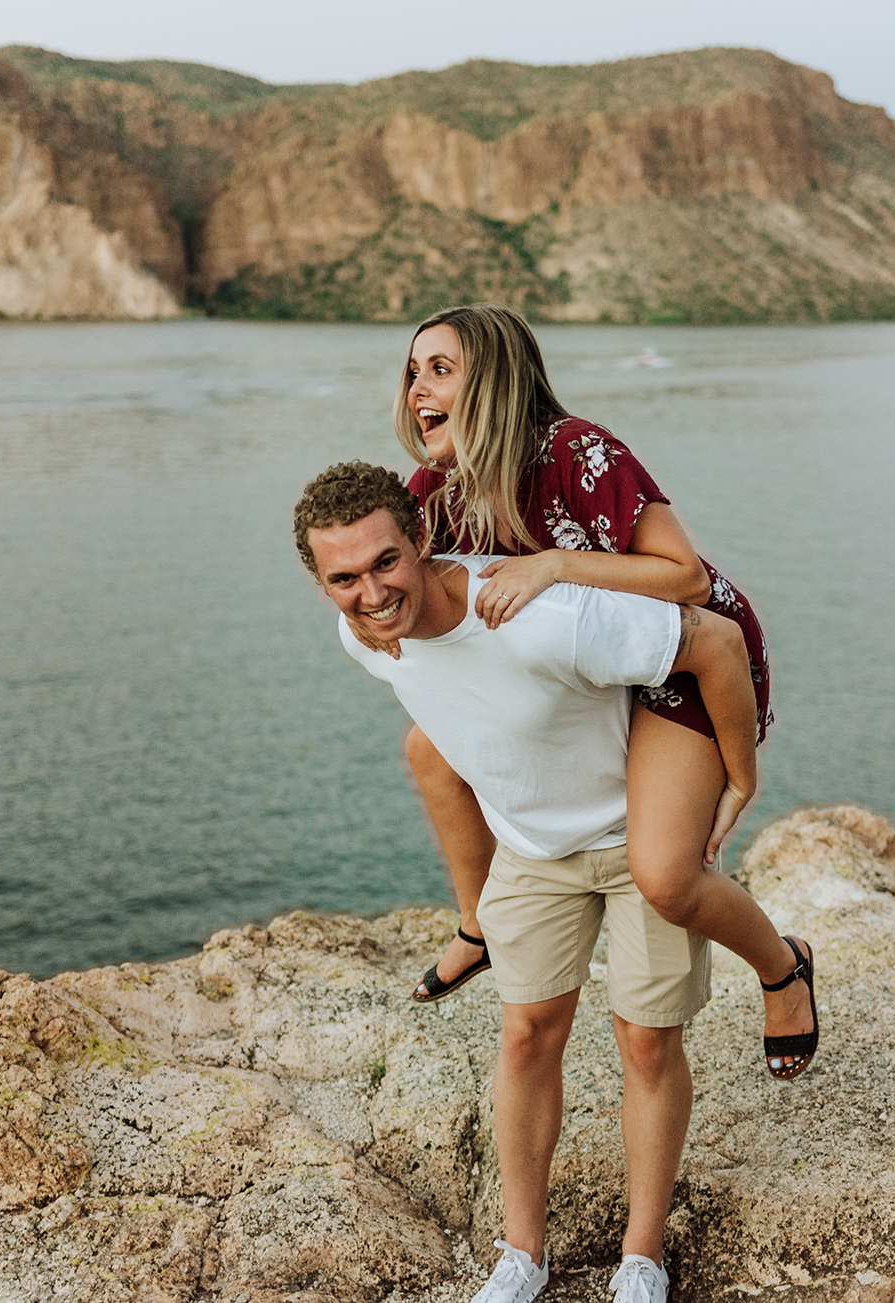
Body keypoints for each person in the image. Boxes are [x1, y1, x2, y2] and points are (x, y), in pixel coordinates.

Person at [293, 460, 783, 1303]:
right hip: (531, 855)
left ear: (422, 543)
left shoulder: (539, 613)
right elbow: (453, 712)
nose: (371, 592)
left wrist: (739, 776)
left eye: (385, 562)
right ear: (321, 584)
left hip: (635, 840)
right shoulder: (362, 635)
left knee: (646, 1042)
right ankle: (522, 1255)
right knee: (525, 1038)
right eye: (344, 578)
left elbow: (718, 641)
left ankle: (642, 1257)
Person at [356, 304, 815, 1081]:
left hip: (683, 665)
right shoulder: (436, 489)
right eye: (411, 372)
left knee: (666, 874)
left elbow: (687, 578)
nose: (415, 390)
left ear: (494, 380)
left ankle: (782, 967)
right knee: (428, 751)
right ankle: (479, 924)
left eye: (439, 369)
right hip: (587, 674)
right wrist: (374, 618)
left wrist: (555, 564)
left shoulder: (575, 452)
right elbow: (390, 565)